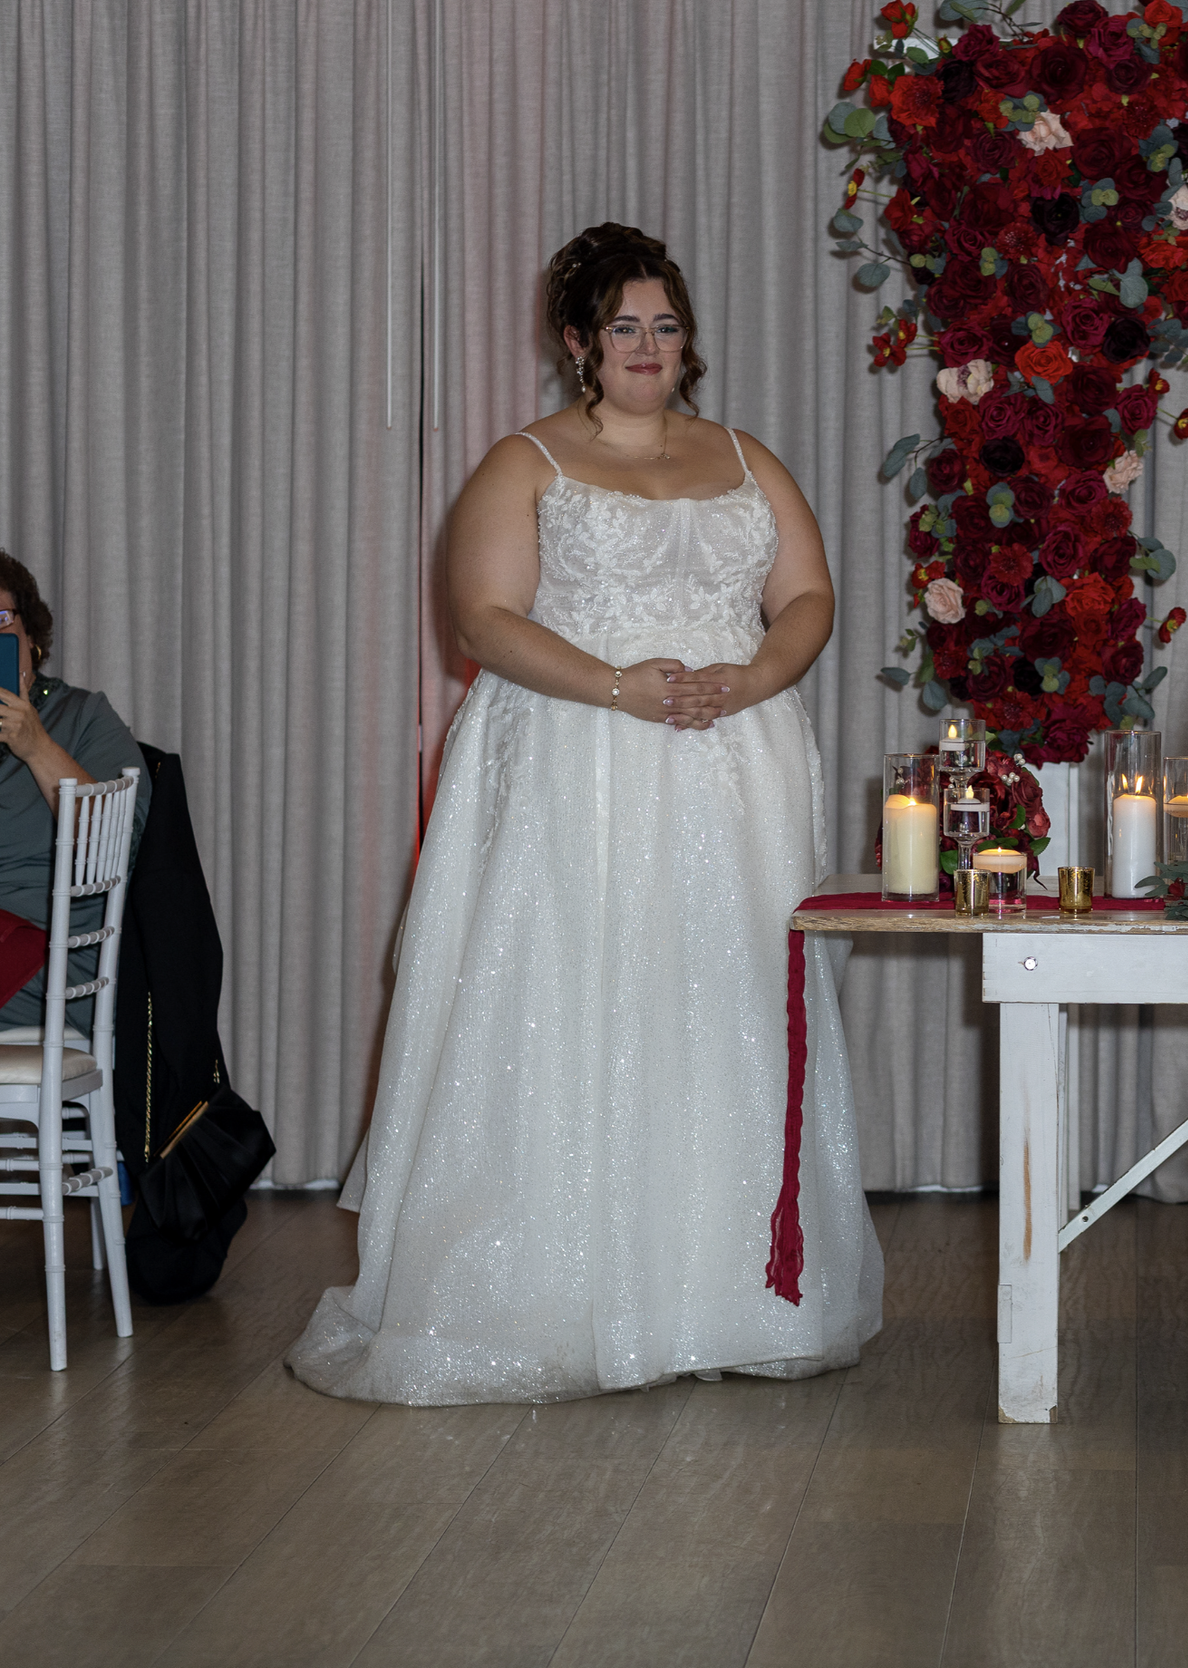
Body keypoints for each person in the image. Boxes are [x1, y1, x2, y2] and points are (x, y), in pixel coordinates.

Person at [287, 223, 881, 1403]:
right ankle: (550, 1301)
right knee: (572, 1000)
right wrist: (617, 685)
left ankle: (725, 1296)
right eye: (623, 326)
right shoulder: (527, 463)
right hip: (576, 757)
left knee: (719, 1012)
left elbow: (807, 596)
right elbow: (484, 620)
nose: (647, 346)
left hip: (730, 767)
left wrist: (751, 679)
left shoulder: (747, 459)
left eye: (665, 325)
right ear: (577, 342)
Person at [0, 551, 150, 1033]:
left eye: (0, 618)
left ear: (30, 635)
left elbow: (113, 848)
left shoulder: (82, 718)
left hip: (46, 963)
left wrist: (35, 745)